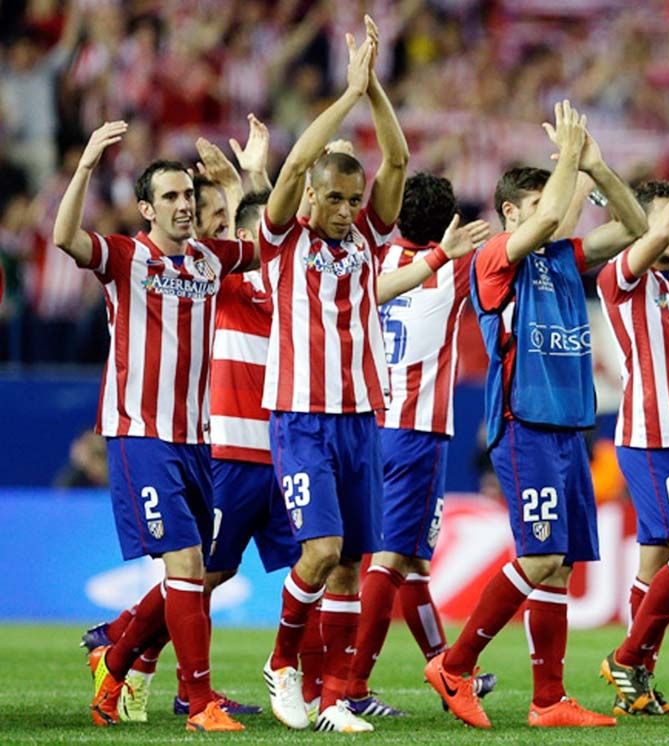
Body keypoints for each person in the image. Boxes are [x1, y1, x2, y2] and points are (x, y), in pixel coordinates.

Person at [425, 99, 647, 729]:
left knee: (560, 565)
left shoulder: (562, 259)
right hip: (523, 424)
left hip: (569, 427)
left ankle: (548, 700)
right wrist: (570, 159)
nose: (552, 213)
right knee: (541, 557)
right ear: (511, 213)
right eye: (538, 205)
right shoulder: (497, 258)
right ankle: (456, 664)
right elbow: (554, 210)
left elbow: (635, 229)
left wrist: (598, 170)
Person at [53, 121, 260, 732]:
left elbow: (272, 239)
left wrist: (245, 177)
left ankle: (113, 658)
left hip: (198, 438)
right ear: (147, 209)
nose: (184, 206)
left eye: (188, 197)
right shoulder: (124, 256)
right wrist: (87, 163)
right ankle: (200, 704)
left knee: (190, 576)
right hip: (140, 433)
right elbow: (66, 237)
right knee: (188, 565)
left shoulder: (211, 259)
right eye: (170, 197)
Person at [258, 16, 408, 734]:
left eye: (355, 200)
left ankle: (334, 697)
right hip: (299, 417)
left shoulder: (368, 238)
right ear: (312, 197)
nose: (348, 211)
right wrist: (345, 97)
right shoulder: (281, 238)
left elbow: (400, 165)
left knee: (350, 564)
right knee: (318, 551)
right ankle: (282, 664)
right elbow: (290, 168)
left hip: (359, 418)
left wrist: (375, 92)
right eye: (336, 199)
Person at [343, 172, 492, 717]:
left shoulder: (371, 262)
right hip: (416, 431)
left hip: (367, 424)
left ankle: (446, 662)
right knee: (389, 559)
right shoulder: (451, 269)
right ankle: (354, 688)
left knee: (408, 561)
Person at [595, 115, 669, 717]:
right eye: (663, 224)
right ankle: (629, 657)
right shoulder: (622, 278)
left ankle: (633, 678)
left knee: (654, 562)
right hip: (653, 438)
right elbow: (654, 232)